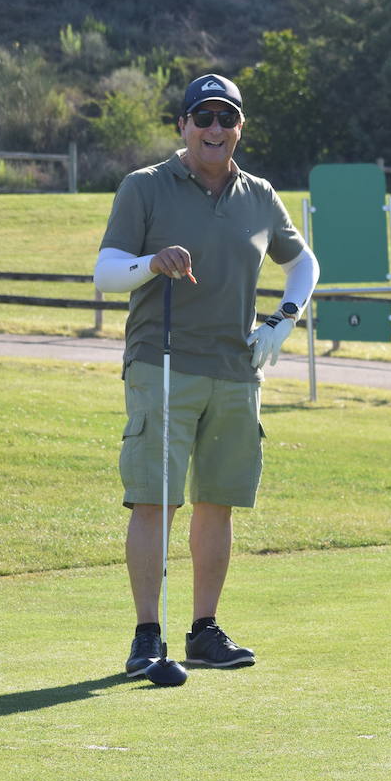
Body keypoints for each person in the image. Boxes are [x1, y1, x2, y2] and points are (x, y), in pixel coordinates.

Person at [93, 73, 319, 677]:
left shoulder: (259, 195)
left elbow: (304, 263)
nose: (215, 129)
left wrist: (282, 320)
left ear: (239, 128)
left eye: (226, 119)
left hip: (235, 369)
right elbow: (107, 272)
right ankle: (147, 635)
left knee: (216, 502)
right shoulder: (145, 187)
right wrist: (150, 262)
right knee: (153, 501)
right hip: (161, 361)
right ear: (183, 126)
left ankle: (203, 631)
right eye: (203, 118)